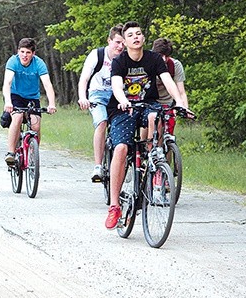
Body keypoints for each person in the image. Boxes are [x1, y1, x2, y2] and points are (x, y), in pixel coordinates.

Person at [105, 21, 189, 230]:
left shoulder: (153, 59)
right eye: (131, 35)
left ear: (143, 38)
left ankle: (152, 159)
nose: (136, 37)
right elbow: (116, 84)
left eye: (139, 34)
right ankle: (115, 206)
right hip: (122, 108)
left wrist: (179, 102)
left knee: (155, 116)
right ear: (124, 41)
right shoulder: (120, 61)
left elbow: (167, 80)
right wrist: (123, 99)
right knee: (122, 148)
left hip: (147, 104)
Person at [77, 24, 125, 182]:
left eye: (123, 43)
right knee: (102, 123)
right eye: (117, 42)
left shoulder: (126, 57)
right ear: (109, 40)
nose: (120, 46)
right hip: (97, 94)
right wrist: (82, 97)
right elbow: (84, 78)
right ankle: (98, 166)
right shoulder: (97, 55)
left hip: (117, 96)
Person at [2, 37, 57, 166]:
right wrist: (8, 102)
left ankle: (33, 154)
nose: (24, 55)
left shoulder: (39, 63)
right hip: (15, 95)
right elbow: (7, 83)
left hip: (32, 97)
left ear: (33, 53)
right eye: (22, 52)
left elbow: (47, 85)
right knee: (18, 117)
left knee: (36, 125)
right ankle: (10, 153)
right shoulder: (13, 61)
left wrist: (52, 104)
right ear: (18, 51)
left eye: (28, 52)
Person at [151, 37, 188, 136]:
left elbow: (182, 92)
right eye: (160, 55)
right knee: (149, 129)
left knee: (169, 134)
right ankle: (141, 150)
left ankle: (169, 149)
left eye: (167, 56)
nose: (164, 59)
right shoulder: (147, 64)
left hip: (168, 104)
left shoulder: (175, 65)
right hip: (151, 103)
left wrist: (184, 108)